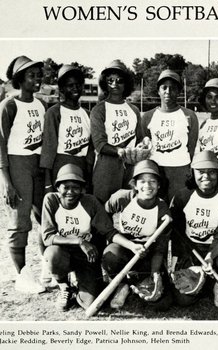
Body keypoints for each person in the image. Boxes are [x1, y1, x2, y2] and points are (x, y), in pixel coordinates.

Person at [170, 151, 218, 308]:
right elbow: (176, 233)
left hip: (217, 249)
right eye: (201, 172)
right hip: (192, 249)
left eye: (211, 172)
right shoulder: (182, 196)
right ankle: (206, 282)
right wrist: (177, 261)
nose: (206, 176)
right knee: (183, 300)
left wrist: (211, 256)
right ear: (192, 172)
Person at [41, 163, 118, 311]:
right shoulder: (51, 200)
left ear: (82, 189)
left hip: (86, 255)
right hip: (63, 252)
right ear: (58, 188)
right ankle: (64, 285)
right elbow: (48, 237)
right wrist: (79, 240)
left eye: (75, 187)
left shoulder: (90, 202)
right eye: (66, 187)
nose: (70, 191)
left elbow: (108, 231)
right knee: (52, 254)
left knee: (89, 303)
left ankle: (82, 283)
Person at [0, 56, 47, 293]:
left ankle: (47, 268)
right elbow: (0, 145)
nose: (37, 80)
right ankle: (22, 275)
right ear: (20, 79)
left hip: (37, 165)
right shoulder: (8, 105)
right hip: (16, 165)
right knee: (20, 222)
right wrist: (6, 181)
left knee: (45, 219)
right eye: (32, 76)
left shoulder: (40, 105)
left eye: (39, 75)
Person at [102, 160, 172, 310]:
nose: (147, 186)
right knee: (110, 256)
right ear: (134, 184)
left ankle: (137, 280)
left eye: (152, 181)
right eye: (142, 181)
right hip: (125, 246)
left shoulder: (162, 208)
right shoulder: (122, 197)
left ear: (159, 185)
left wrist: (154, 272)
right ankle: (123, 285)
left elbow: (160, 246)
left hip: (147, 252)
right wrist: (123, 242)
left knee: (162, 304)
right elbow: (104, 217)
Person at [141, 69, 199, 202]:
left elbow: (191, 146)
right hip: (156, 169)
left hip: (180, 169)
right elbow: (145, 146)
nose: (168, 91)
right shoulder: (148, 116)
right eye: (164, 87)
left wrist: (187, 169)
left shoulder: (189, 115)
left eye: (173, 88)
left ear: (179, 91)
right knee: (156, 208)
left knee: (178, 209)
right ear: (158, 91)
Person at [91, 60, 143, 203]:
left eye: (119, 80)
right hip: (107, 164)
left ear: (126, 83)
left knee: (130, 208)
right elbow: (99, 144)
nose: (114, 84)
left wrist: (144, 145)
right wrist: (119, 151)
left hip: (130, 165)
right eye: (110, 80)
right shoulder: (99, 109)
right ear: (105, 83)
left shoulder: (134, 110)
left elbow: (140, 138)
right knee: (102, 209)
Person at [40, 64, 94, 191]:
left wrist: (90, 177)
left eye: (78, 84)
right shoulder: (54, 112)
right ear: (62, 89)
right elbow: (48, 148)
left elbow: (90, 151)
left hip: (82, 166)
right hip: (60, 165)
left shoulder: (88, 114)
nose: (75, 88)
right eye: (70, 85)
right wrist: (48, 182)